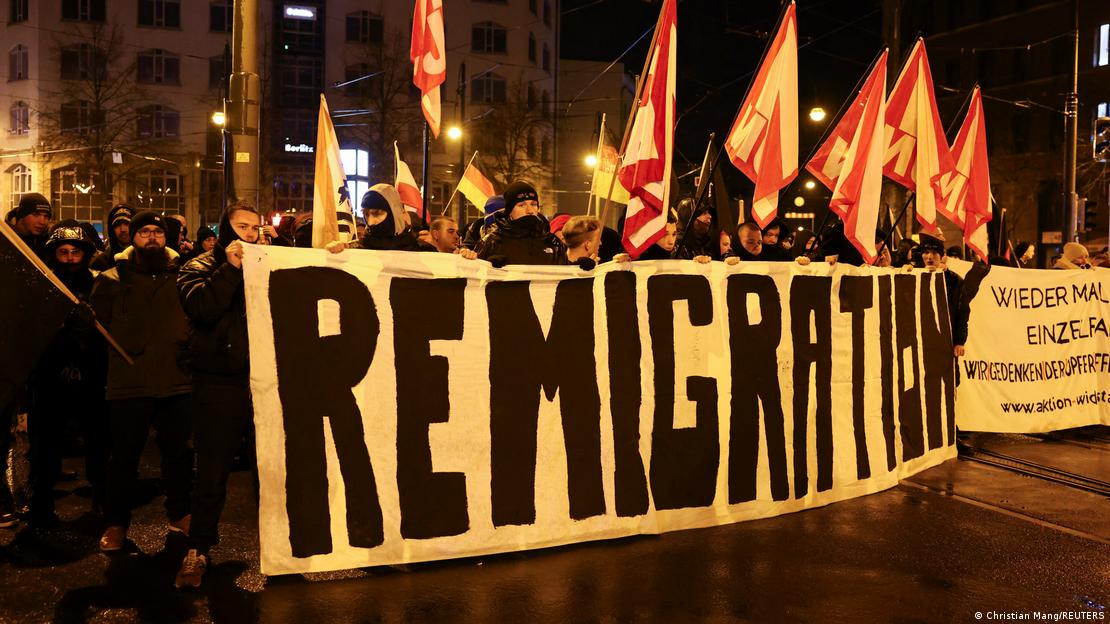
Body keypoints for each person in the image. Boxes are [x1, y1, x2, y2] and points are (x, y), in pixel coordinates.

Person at [90, 211, 193, 553]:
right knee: (123, 458)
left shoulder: (182, 276)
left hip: (176, 379)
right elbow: (96, 328)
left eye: (157, 232)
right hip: (129, 381)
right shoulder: (110, 279)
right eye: (144, 231)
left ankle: (180, 515)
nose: (152, 237)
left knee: (178, 455)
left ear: (166, 238)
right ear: (133, 237)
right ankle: (116, 523)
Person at [174, 203, 261, 588]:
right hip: (218, 382)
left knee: (270, 470)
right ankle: (199, 548)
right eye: (242, 226)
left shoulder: (264, 264)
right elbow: (203, 308)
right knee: (212, 471)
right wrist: (230, 269)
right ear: (225, 229)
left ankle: (281, 548)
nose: (249, 234)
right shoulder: (198, 267)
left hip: (261, 381)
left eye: (255, 228)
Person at [29, 221, 109, 524]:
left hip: (92, 372)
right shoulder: (43, 285)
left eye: (75, 252)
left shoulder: (101, 285)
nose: (70, 258)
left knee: (98, 438)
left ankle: (101, 498)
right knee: (46, 440)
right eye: (63, 252)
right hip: (50, 373)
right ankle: (41, 502)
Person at [475, 181, 566, 266]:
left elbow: (565, 272)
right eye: (521, 205)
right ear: (509, 211)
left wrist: (574, 264)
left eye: (533, 204)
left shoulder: (552, 242)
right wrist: (489, 267)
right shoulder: (493, 242)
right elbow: (475, 271)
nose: (529, 210)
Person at [918, 234, 969, 356]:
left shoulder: (955, 281)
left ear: (942, 256)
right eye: (926, 252)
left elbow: (962, 313)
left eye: (934, 253)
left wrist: (959, 341)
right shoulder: (914, 277)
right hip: (920, 342)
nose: (930, 257)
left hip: (946, 341)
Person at [360, 184, 422, 251]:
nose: (370, 222)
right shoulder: (358, 249)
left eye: (377, 214)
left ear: (394, 214)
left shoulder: (421, 248)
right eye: (365, 214)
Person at [91, 204, 134, 271]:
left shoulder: (145, 259)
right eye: (117, 225)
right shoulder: (101, 263)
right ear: (112, 230)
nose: (122, 229)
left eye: (127, 223)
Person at [9, 193, 52, 258]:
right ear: (22, 215)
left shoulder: (48, 243)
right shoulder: (5, 238)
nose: (42, 222)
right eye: (36, 215)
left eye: (46, 216)